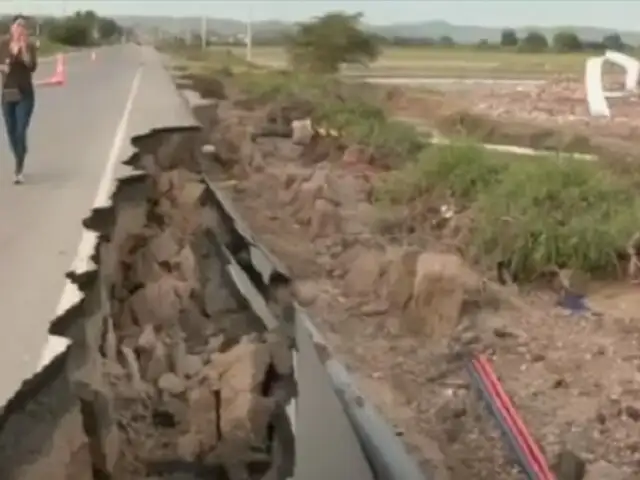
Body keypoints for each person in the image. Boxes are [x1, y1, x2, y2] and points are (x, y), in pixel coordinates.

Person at [0, 15, 37, 184]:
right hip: (8, 93)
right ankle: (20, 152)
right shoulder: (3, 44)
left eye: (23, 26)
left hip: (25, 94)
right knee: (11, 132)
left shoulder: (29, 46)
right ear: (11, 28)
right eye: (17, 26)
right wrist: (3, 66)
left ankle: (18, 168)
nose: (20, 29)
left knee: (21, 130)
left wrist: (23, 51)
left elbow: (32, 66)